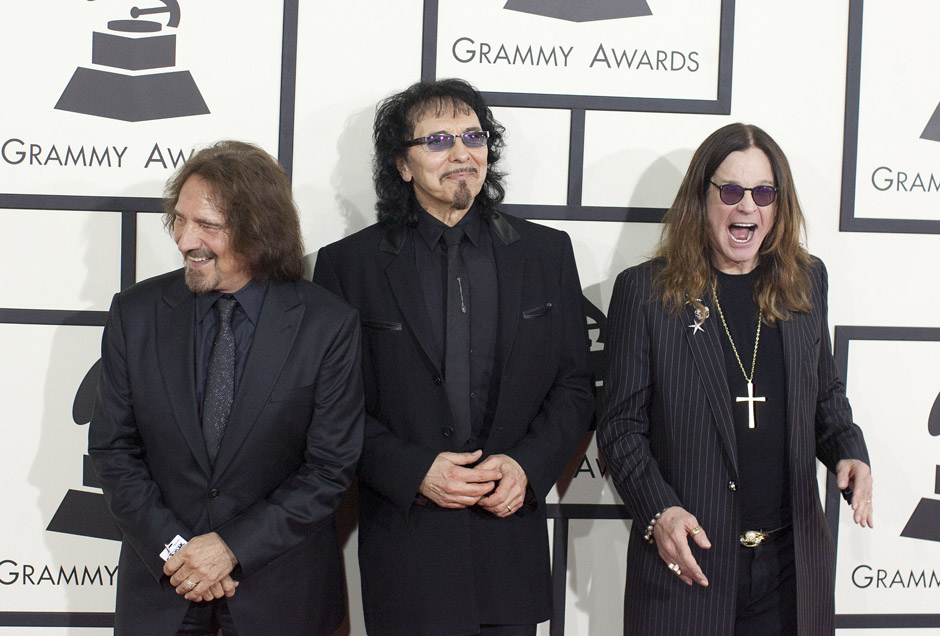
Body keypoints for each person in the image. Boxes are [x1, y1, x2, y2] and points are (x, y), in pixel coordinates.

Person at [313, 78, 594, 636]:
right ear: (401, 163)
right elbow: (330, 408)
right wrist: (414, 470)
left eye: (474, 136)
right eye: (438, 140)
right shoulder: (350, 266)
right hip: (407, 544)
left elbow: (574, 385)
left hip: (508, 538)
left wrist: (528, 467)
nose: (462, 152)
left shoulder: (546, 253)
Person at [597, 123, 873, 636]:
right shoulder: (647, 294)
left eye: (763, 192)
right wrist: (659, 512)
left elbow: (826, 396)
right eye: (731, 191)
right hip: (691, 567)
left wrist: (848, 451)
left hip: (790, 572)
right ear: (700, 199)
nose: (747, 207)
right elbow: (619, 429)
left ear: (778, 204)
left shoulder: (806, 280)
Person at [88, 140, 364, 636]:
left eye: (208, 226)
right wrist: (179, 554)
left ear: (260, 232)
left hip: (282, 595)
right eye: (179, 219)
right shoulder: (135, 313)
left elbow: (329, 468)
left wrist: (232, 548)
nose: (184, 240)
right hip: (162, 591)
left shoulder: (326, 324)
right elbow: (113, 450)